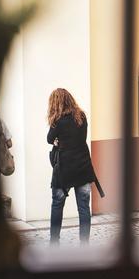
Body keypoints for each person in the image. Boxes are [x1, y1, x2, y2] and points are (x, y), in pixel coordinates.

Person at [47, 88, 97, 244]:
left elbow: (49, 139)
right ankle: (84, 244)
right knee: (83, 208)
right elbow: (80, 138)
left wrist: (58, 141)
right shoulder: (81, 117)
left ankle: (54, 242)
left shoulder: (58, 120)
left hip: (64, 170)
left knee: (57, 205)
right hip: (83, 167)